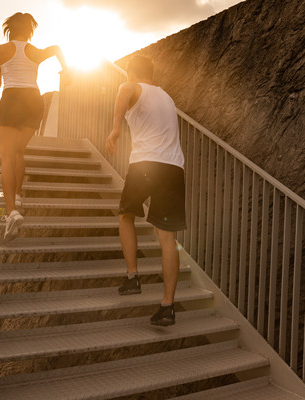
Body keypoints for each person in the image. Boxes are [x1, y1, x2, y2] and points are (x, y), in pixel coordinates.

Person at [105, 55, 186, 326]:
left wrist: (115, 130)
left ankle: (132, 277)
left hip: (145, 165)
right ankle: (167, 306)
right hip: (173, 168)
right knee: (167, 239)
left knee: (126, 215)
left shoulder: (131, 86)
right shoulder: (167, 97)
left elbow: (124, 90)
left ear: (130, 73)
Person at [0, 12, 68, 240]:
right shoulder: (34, 51)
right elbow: (55, 48)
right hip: (34, 102)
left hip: (12, 98)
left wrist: (2, 73)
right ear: (30, 30)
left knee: (6, 156)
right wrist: (69, 69)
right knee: (18, 151)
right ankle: (17, 195)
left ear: (9, 29)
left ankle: (11, 212)